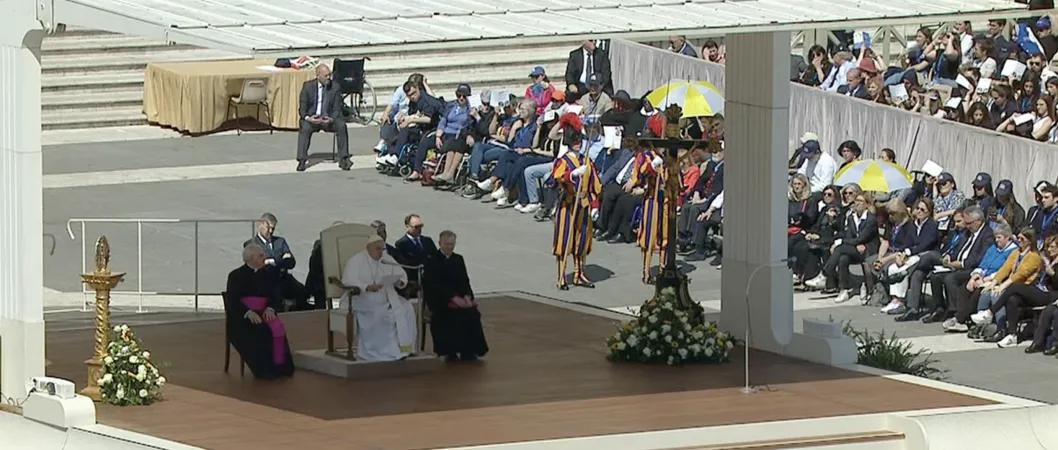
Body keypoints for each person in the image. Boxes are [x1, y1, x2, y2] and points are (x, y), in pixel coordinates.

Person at [340, 235, 416, 362]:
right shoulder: (356, 261)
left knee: (407, 309)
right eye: (378, 249)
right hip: (364, 299)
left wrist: (399, 282)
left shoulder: (386, 259)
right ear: (369, 248)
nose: (381, 252)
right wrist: (367, 287)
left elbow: (402, 274)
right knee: (384, 316)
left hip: (388, 296)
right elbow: (347, 281)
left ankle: (405, 349)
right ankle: (380, 353)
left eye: (382, 248)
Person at [225, 244, 295, 380]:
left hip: (264, 312)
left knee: (277, 329)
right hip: (243, 318)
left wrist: (271, 308)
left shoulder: (269, 273)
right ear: (250, 258)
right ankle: (265, 370)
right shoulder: (235, 276)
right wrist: (247, 312)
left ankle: (281, 367)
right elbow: (233, 300)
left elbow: (276, 295)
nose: (265, 258)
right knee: (259, 331)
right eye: (261, 256)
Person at [422, 230, 488, 361]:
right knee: (449, 316)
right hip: (441, 300)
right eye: (446, 244)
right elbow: (434, 285)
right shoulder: (432, 260)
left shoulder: (458, 259)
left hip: (459, 297)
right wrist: (452, 298)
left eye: (452, 244)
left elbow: (464, 280)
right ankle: (450, 350)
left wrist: (467, 296)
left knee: (472, 314)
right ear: (440, 243)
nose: (449, 247)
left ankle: (469, 350)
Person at [551, 128, 602, 290]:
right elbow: (556, 178)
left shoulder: (587, 161)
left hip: (584, 205)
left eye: (579, 140)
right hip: (568, 205)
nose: (578, 144)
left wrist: (594, 206)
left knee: (581, 243)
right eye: (574, 141)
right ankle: (561, 277)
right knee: (565, 241)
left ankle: (579, 274)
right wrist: (572, 175)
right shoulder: (563, 161)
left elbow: (596, 185)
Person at [243, 213, 311, 311]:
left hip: (283, 279)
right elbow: (256, 264)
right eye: (268, 228)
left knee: (304, 293)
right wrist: (281, 259)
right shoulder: (251, 244)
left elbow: (291, 262)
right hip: (264, 281)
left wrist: (272, 261)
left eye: (273, 229)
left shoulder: (280, 241)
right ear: (260, 225)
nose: (270, 231)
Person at [295, 64, 351, 172]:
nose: (328, 78)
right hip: (313, 119)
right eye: (326, 76)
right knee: (305, 127)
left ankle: (343, 158)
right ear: (318, 76)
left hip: (328, 119)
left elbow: (337, 108)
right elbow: (302, 109)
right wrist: (309, 118)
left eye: (329, 75)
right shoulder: (308, 87)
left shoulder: (335, 87)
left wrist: (332, 118)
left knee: (341, 126)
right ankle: (302, 160)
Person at [633, 145, 670, 284]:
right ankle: (646, 271)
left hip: (666, 198)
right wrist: (653, 167)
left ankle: (663, 269)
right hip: (652, 199)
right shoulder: (646, 156)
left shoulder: (669, 155)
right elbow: (640, 175)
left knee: (665, 235)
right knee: (649, 235)